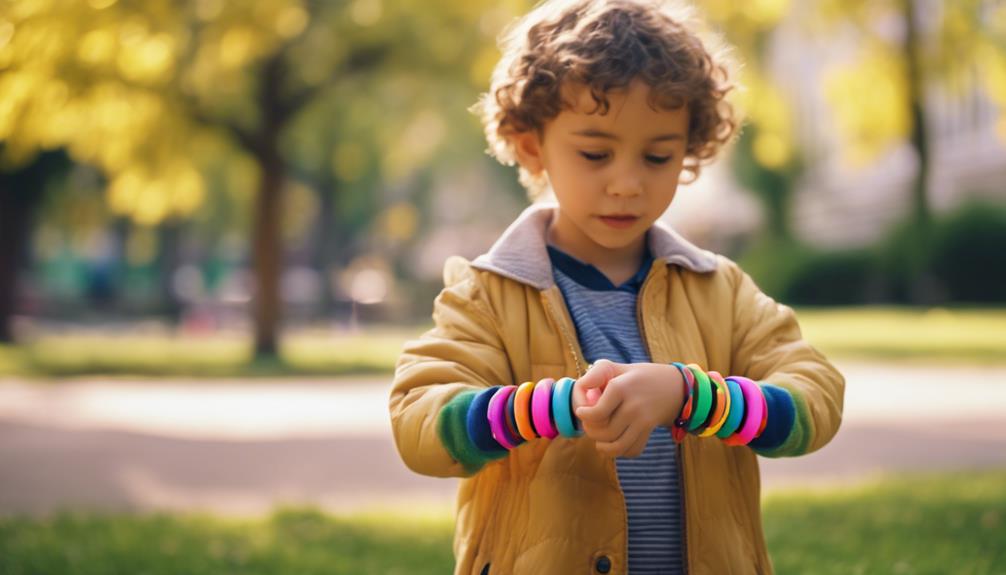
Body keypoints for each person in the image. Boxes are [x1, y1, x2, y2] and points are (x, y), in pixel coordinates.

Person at [388, 0, 845, 573]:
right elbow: (420, 422)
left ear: (689, 149)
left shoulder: (719, 290)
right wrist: (553, 406)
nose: (627, 184)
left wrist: (692, 397)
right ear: (532, 144)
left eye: (658, 156)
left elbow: (814, 400)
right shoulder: (487, 295)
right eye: (595, 153)